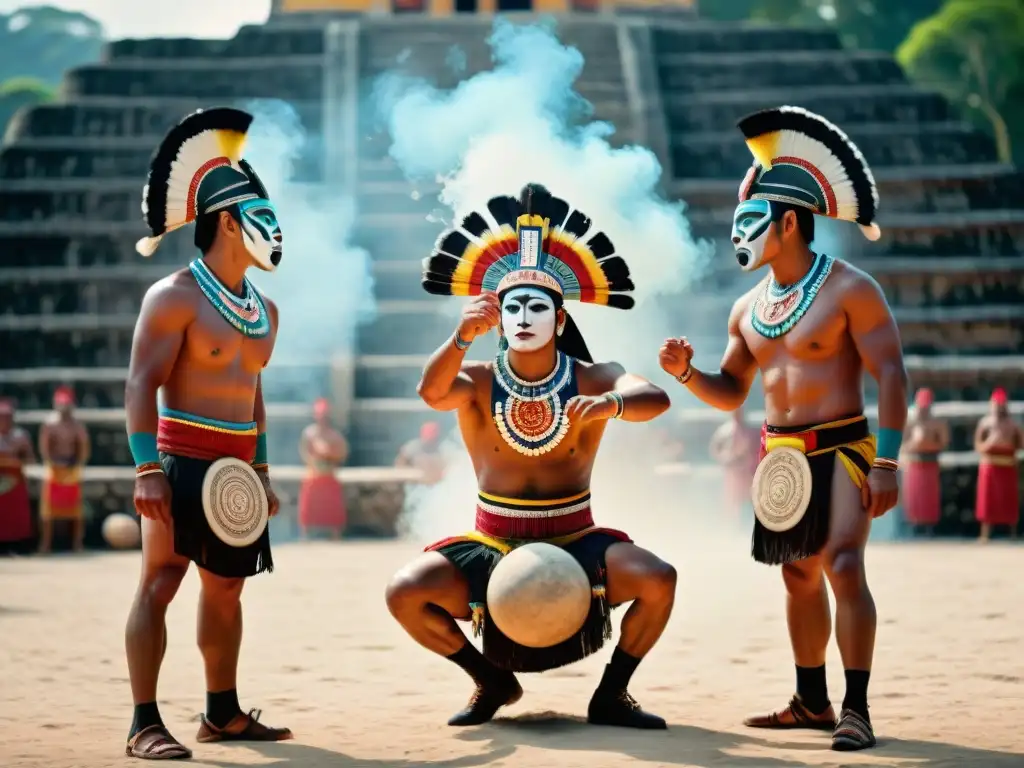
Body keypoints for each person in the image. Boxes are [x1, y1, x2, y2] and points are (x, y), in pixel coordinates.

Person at [658, 106, 908, 751]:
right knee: (797, 576)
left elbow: (892, 375)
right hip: (781, 457)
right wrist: (688, 374)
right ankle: (811, 700)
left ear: (788, 221)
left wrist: (886, 461)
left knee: (844, 566)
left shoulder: (852, 289)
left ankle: (857, 708)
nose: (737, 236)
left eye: (749, 222)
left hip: (844, 448)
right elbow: (730, 392)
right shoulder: (748, 308)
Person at [385, 183, 676, 729]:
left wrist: (608, 404)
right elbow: (430, 391)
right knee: (404, 592)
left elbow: (654, 398)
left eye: (537, 306)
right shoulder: (475, 379)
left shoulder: (594, 375)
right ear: (497, 318)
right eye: (512, 306)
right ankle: (489, 679)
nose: (523, 316)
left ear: (560, 321)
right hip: (493, 540)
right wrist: (459, 336)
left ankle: (612, 693)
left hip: (576, 538)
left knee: (660, 579)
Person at [123, 108, 292, 760]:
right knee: (160, 584)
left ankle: (221, 712)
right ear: (228, 222)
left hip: (237, 470)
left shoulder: (265, 310)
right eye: (266, 218)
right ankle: (143, 723)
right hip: (177, 460)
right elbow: (141, 384)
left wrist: (265, 472)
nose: (277, 232)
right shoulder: (173, 297)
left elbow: (253, 392)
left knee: (226, 588)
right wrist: (146, 470)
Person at [37, 386, 90, 553]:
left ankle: (77, 544)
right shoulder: (49, 424)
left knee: (76, 510)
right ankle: (45, 544)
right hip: (54, 468)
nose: (64, 408)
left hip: (71, 467)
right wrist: (52, 463)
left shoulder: (77, 426)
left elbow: (83, 448)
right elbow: (45, 448)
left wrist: (78, 464)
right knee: (48, 511)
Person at [973, 388, 1022, 542]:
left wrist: (1007, 444)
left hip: (1007, 464)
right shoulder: (985, 423)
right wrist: (989, 444)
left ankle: (1012, 533)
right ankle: (985, 534)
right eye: (996, 404)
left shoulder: (1014, 424)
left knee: (1008, 499)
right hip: (989, 465)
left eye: (1002, 405)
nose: (999, 407)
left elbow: (1020, 444)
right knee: (988, 500)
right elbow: (977, 445)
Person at [298, 397, 348, 540]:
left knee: (332, 505)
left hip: (329, 473)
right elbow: (304, 452)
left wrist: (330, 455)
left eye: (324, 417)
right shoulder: (309, 433)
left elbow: (342, 453)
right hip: (313, 473)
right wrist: (313, 460)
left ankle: (335, 533)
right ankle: (305, 533)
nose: (322, 420)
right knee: (308, 504)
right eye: (320, 417)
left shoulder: (334, 435)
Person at [900, 388, 949, 534]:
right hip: (913, 461)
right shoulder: (908, 421)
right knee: (914, 496)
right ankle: (913, 527)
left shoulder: (937, 423)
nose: (923, 410)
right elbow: (901, 444)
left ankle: (929, 528)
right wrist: (914, 444)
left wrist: (929, 444)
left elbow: (943, 443)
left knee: (929, 497)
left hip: (930, 461)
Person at [709, 407, 760, 524]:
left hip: (747, 471)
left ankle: (746, 524)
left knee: (748, 499)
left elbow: (755, 450)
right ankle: (731, 526)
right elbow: (715, 449)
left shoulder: (749, 431)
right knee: (731, 500)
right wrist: (725, 458)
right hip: (732, 472)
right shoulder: (724, 431)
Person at [0, 399, 35, 555]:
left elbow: (30, 459)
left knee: (16, 513)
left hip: (15, 478)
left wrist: (16, 460)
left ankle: (18, 545)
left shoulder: (20, 436)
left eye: (8, 417)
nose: (5, 420)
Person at [395, 421, 447, 485]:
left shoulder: (443, 450)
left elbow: (449, 467)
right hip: (415, 485)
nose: (429, 439)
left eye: (433, 435)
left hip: (436, 486)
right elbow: (400, 465)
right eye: (428, 434)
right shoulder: (412, 447)